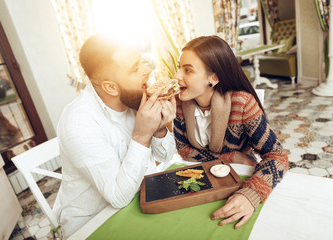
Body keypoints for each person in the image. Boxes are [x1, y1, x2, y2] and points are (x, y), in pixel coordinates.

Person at [54, 34, 177, 237]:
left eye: (142, 62)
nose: (148, 70)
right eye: (135, 68)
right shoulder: (78, 122)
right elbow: (118, 198)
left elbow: (165, 157)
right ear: (110, 87)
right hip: (93, 223)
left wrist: (160, 129)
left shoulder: (135, 99)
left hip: (141, 200)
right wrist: (142, 135)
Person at [173, 35, 288, 228]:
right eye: (178, 67)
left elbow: (277, 156)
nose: (177, 76)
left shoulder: (242, 104)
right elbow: (183, 149)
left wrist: (251, 194)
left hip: (240, 180)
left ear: (213, 78)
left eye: (188, 70)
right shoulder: (178, 103)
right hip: (203, 180)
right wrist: (235, 157)